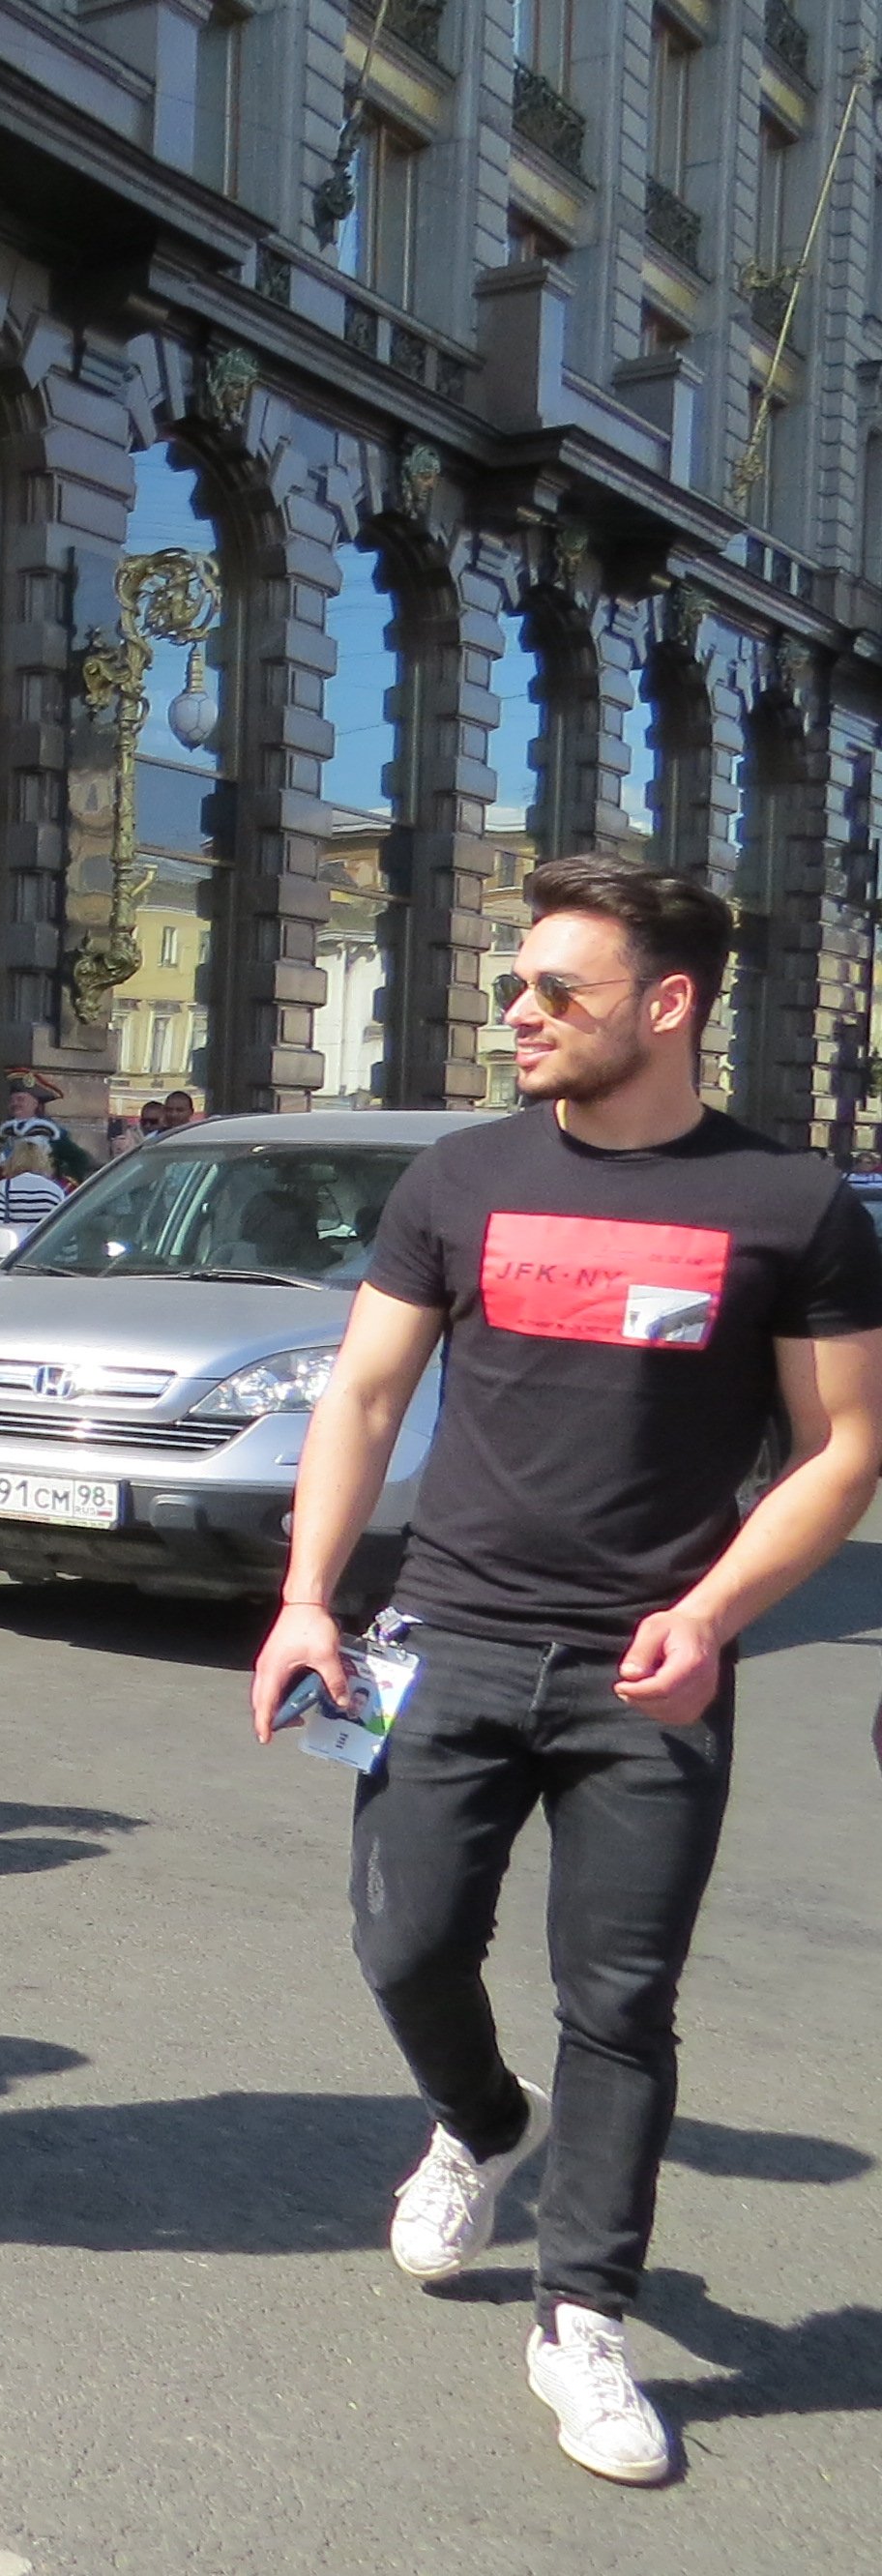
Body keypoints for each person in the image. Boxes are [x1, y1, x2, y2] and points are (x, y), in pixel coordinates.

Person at [250, 856, 882, 2489]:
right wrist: (308, 1597)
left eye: (556, 989)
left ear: (668, 1005)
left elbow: (840, 1449)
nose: (515, 1011)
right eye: (515, 983)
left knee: (621, 2002)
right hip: (447, 1632)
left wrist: (719, 1608)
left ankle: (583, 2310)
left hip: (650, 1673)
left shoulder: (791, 1205)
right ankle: (478, 2114)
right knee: (402, 1941)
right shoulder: (460, 1179)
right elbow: (366, 1399)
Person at [0, 1136, 68, 1244]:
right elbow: (62, 1227)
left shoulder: (4, 1186)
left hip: (14, 1251)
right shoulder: (56, 1190)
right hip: (44, 1248)